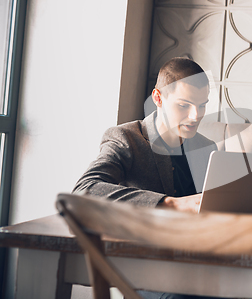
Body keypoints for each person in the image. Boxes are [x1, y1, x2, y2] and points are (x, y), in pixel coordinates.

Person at [73, 57, 217, 213]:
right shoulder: (125, 138)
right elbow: (84, 190)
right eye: (183, 105)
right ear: (157, 98)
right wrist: (171, 204)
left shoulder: (207, 148)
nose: (195, 116)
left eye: (202, 105)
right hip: (140, 236)